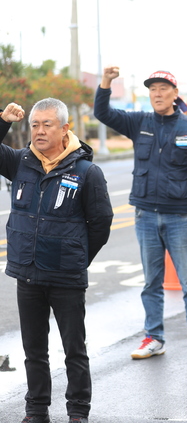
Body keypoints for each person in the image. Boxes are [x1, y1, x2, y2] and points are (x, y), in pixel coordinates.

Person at [0, 100, 113, 423]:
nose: (39, 131)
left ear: (65, 129)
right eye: (35, 125)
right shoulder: (21, 162)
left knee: (74, 350)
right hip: (28, 274)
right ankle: (36, 409)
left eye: (47, 124)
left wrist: (76, 257)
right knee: (34, 351)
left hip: (67, 277)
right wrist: (4, 120)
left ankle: (78, 411)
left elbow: (101, 224)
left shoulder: (87, 172)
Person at [95, 67, 187, 362]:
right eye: (153, 89)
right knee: (151, 282)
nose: (157, 94)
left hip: (181, 217)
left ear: (176, 94)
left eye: (163, 88)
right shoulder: (139, 122)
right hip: (146, 215)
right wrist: (107, 83)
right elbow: (103, 113)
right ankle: (154, 337)